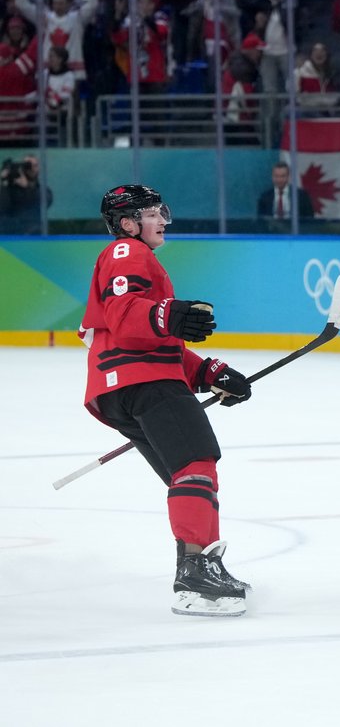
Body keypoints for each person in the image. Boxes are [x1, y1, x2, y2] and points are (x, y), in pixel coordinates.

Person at [82, 185, 254, 617]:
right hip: (145, 383)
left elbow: (155, 344)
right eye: (153, 213)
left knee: (186, 474)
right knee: (196, 463)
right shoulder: (126, 253)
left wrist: (209, 373)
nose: (163, 220)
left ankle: (200, 564)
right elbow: (125, 318)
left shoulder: (135, 257)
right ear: (127, 223)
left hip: (129, 386)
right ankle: (196, 575)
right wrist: (166, 314)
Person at [0, 154, 52, 234]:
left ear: (38, 168)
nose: (31, 169)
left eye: (34, 166)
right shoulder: (9, 190)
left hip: (32, 234)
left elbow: (45, 201)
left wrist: (27, 187)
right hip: (9, 236)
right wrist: (4, 183)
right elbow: (3, 208)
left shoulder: (41, 190)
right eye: (27, 166)